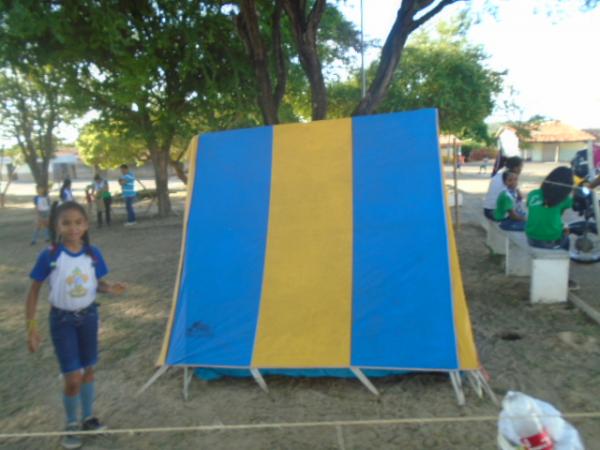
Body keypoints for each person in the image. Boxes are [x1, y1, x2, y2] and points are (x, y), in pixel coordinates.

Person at [25, 201, 126, 449]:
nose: (73, 228)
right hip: (62, 321)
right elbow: (33, 292)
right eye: (66, 222)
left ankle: (88, 417)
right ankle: (71, 423)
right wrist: (32, 328)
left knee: (89, 369)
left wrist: (109, 288)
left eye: (78, 222)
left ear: (86, 225)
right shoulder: (50, 255)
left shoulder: (93, 254)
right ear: (56, 226)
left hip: (89, 318)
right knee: (73, 378)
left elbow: (97, 284)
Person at [526, 166, 574, 251]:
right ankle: (561, 257)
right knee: (567, 234)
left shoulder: (532, 194)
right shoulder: (564, 199)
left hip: (531, 238)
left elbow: (531, 209)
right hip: (550, 240)